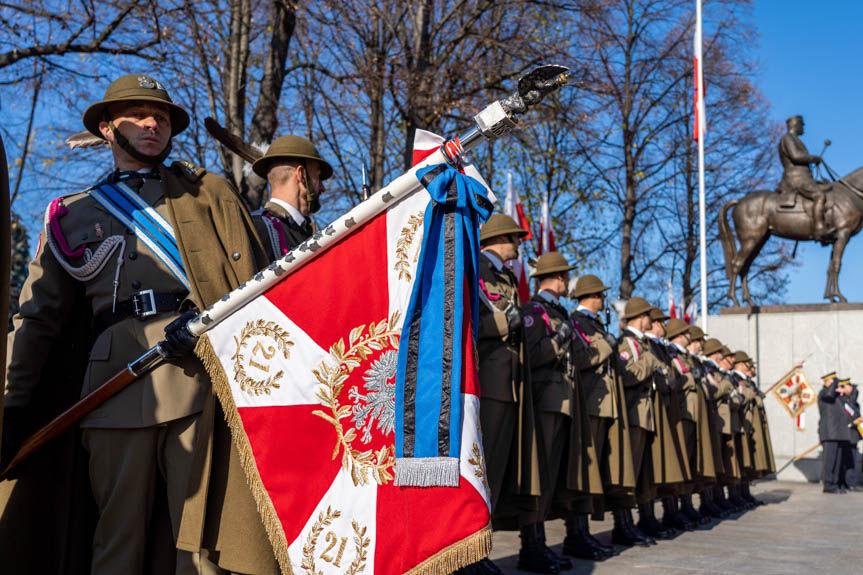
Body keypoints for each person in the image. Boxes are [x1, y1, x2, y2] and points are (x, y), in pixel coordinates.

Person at [3, 74, 270, 574]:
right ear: (107, 128)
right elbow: (37, 318)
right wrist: (11, 404)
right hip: (113, 387)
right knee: (117, 542)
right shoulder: (71, 215)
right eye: (139, 115)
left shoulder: (206, 195)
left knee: (202, 547)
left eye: (162, 117)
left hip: (200, 378)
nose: (153, 124)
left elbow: (254, 279)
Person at [468, 214, 539, 575]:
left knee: (496, 472)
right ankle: (471, 553)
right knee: (482, 472)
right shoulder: (477, 267)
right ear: (499, 239)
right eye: (514, 238)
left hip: (509, 383)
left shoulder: (505, 276)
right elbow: (468, 319)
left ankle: (481, 550)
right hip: (490, 381)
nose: (518, 244)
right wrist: (504, 322)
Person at [520, 252, 595, 572]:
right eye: (565, 277)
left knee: (552, 476)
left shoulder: (558, 312)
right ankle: (531, 546)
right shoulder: (535, 311)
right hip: (546, 399)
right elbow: (533, 354)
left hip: (564, 399)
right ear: (559, 278)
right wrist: (561, 337)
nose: (567, 283)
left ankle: (540, 544)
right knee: (540, 474)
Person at [569, 275, 634, 553]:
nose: (603, 300)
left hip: (606, 404)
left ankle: (585, 531)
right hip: (591, 403)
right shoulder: (577, 322)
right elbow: (581, 359)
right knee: (586, 469)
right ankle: (577, 532)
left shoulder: (595, 324)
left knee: (602, 469)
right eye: (601, 296)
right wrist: (607, 345)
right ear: (593, 297)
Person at [614, 297, 666, 547]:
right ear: (641, 317)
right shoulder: (627, 343)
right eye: (648, 316)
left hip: (646, 414)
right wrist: (650, 361)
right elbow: (628, 376)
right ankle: (622, 525)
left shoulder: (643, 343)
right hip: (634, 413)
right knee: (629, 471)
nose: (651, 320)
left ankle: (643, 519)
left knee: (643, 472)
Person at [642, 309, 692, 536]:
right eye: (661, 322)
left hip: (667, 408)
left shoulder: (661, 348)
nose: (663, 326)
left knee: (669, 462)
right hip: (651, 408)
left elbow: (672, 376)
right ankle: (646, 517)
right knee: (650, 466)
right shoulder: (646, 345)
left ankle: (670, 511)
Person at [250, 135, 332, 260]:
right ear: (301, 175)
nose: (323, 188)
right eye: (318, 177)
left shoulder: (307, 232)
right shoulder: (257, 229)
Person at [665, 318, 715, 525]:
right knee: (681, 460)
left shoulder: (688, 357)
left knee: (691, 461)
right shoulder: (672, 354)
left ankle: (686, 504)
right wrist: (692, 379)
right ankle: (672, 509)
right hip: (683, 412)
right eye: (688, 334)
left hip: (694, 413)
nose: (693, 339)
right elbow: (676, 380)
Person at [777, 115, 831, 237]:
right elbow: (796, 156)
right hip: (795, 178)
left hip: (803, 178)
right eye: (802, 125)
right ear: (795, 124)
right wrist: (814, 158)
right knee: (819, 195)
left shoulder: (795, 139)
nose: (803, 128)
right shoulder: (787, 138)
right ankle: (819, 228)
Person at [818, 375, 857, 493]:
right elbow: (830, 394)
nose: (838, 386)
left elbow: (852, 408)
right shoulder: (824, 394)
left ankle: (834, 484)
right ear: (827, 383)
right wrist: (836, 381)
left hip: (840, 434)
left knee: (837, 462)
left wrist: (852, 391)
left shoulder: (839, 398)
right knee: (830, 461)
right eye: (834, 383)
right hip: (830, 434)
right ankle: (828, 485)